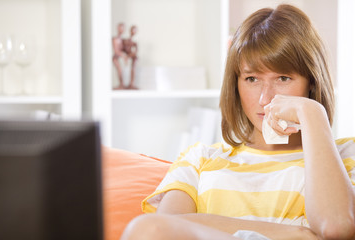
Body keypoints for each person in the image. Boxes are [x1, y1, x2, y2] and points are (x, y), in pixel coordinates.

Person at [120, 4, 355, 240]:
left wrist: (313, 113)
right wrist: (299, 234)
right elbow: (159, 230)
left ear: (311, 82)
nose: (266, 99)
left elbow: (335, 228)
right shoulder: (199, 160)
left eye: (283, 78)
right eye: (252, 79)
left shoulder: (346, 156)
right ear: (236, 84)